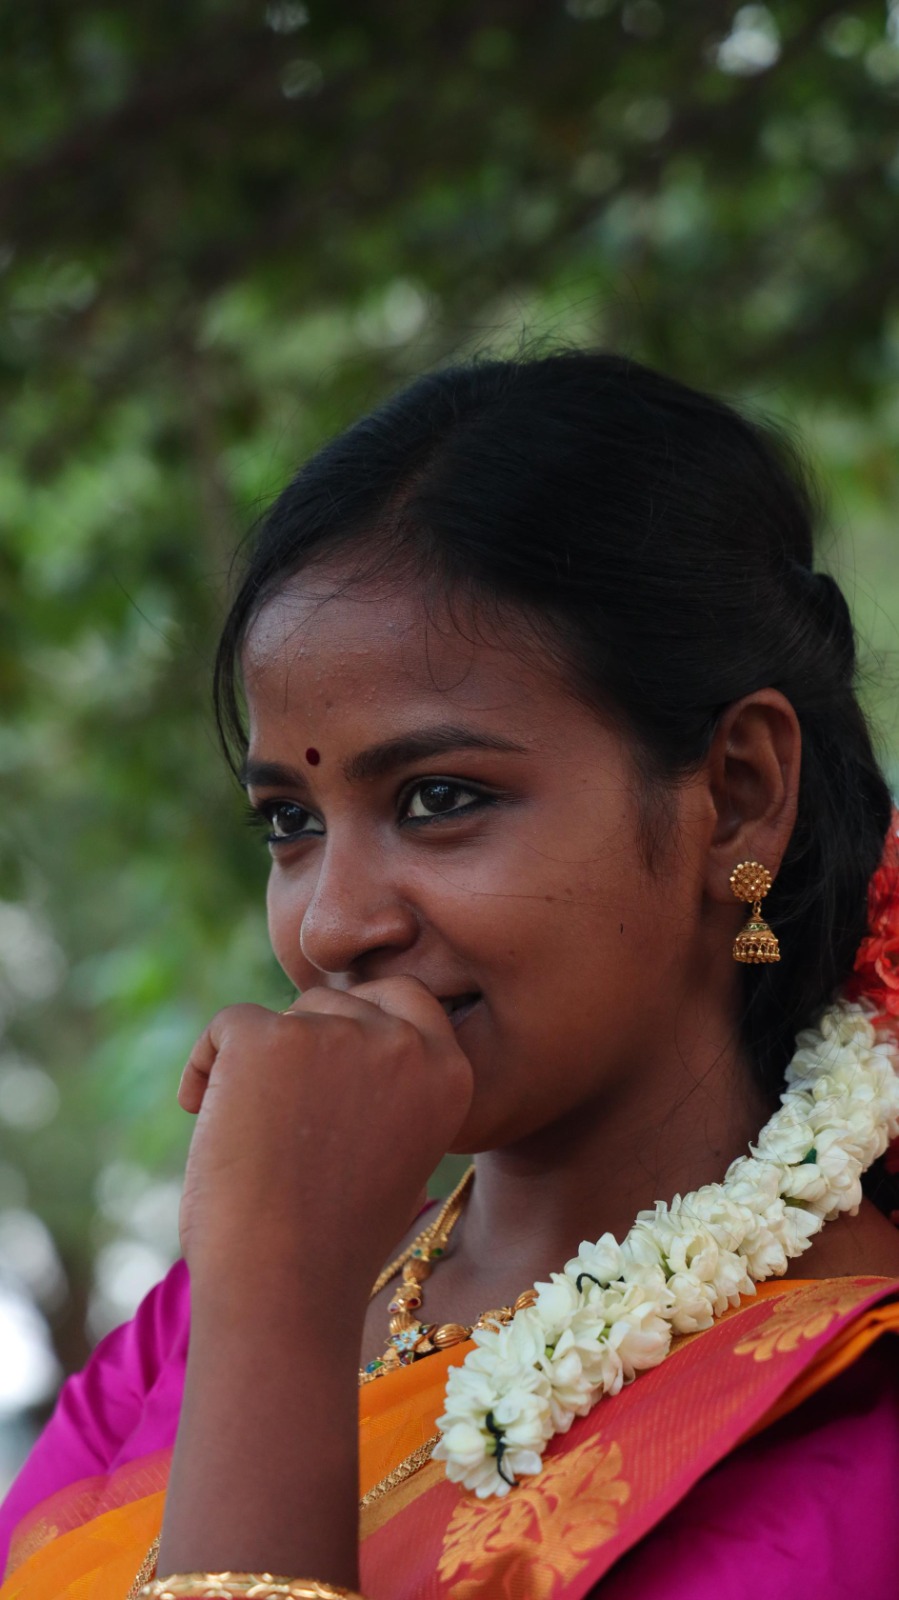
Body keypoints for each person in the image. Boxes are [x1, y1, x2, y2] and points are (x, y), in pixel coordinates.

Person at [1, 350, 898, 1600]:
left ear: (737, 794)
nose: (331, 926)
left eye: (438, 799)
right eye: (289, 821)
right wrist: (270, 1294)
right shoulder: (196, 1325)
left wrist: (279, 1308)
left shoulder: (845, 1413)